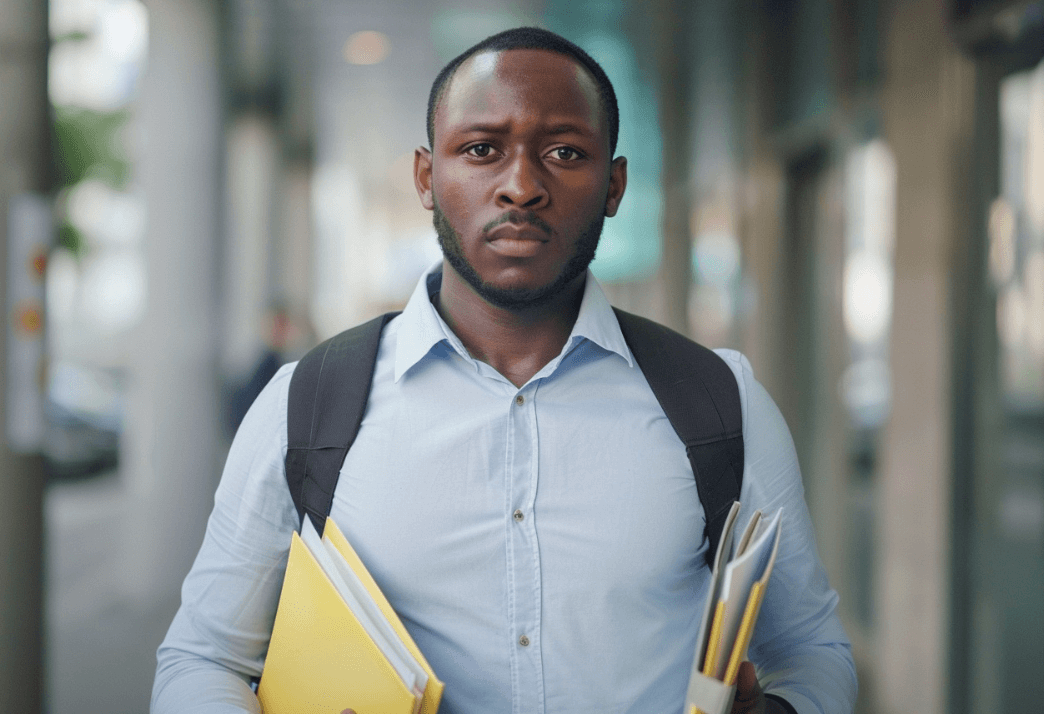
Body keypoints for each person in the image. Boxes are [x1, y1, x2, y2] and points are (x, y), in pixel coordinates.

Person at [151, 27, 856, 714]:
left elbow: (811, 650)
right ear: (427, 178)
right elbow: (203, 658)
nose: (522, 185)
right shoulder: (306, 404)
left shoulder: (718, 401)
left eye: (564, 152)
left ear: (614, 186)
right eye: (482, 149)